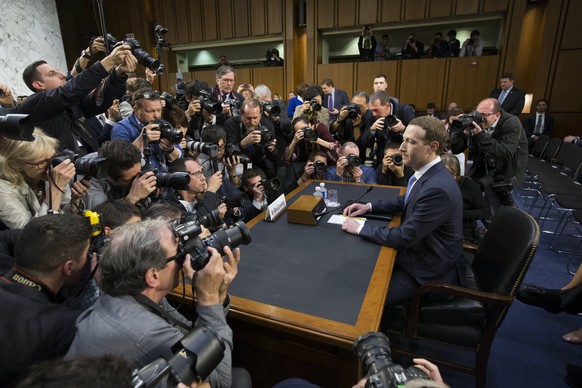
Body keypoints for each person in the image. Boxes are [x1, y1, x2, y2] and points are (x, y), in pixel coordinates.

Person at [64, 219, 239, 388]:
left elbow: (190, 333)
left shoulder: (122, 298)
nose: (184, 260)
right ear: (153, 276)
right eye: (177, 254)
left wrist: (219, 293)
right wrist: (208, 297)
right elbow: (221, 381)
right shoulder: (147, 332)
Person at [341, 116, 465, 304]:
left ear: (432, 146)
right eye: (404, 139)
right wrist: (369, 206)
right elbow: (406, 201)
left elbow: (404, 236)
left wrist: (360, 228)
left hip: (426, 273)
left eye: (411, 142)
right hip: (418, 256)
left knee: (361, 299)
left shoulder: (438, 188)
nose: (401, 148)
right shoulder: (428, 172)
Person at [0, 214, 92, 385]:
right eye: (87, 254)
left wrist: (45, 237)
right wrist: (99, 279)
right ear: (69, 267)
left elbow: (8, 237)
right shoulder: (59, 324)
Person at [19, 44, 136, 156]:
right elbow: (69, 91)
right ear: (39, 85)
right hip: (66, 171)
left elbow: (98, 102)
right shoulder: (34, 104)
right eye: (52, 74)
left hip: (94, 165)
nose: (62, 75)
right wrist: (108, 62)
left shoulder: (70, 104)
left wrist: (117, 74)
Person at [450, 98, 528, 213]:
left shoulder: (511, 123)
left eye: (484, 115)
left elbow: (505, 153)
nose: (480, 118)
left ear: (496, 115)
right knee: (463, 195)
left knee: (493, 206)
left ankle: (499, 223)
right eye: (478, 114)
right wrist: (462, 132)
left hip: (505, 172)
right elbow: (456, 149)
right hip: (482, 168)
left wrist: (480, 134)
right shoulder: (478, 123)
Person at [0, 128, 89, 229]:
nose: (51, 166)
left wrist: (74, 200)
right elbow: (34, 236)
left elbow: (63, 215)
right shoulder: (2, 190)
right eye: (42, 162)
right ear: (16, 164)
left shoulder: (47, 173)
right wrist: (55, 189)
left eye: (53, 158)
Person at [111, 89, 182, 172]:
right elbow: (119, 162)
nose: (156, 116)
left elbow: (180, 159)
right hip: (140, 181)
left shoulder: (164, 124)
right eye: (150, 111)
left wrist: (171, 149)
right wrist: (142, 140)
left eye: (159, 110)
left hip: (166, 180)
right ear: (136, 110)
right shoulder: (121, 128)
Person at [81, 139, 157, 209]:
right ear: (111, 179)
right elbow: (105, 219)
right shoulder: (89, 179)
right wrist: (132, 198)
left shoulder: (138, 159)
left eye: (139, 173)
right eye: (131, 179)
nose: (139, 181)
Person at [441, 154, 490, 243]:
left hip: (462, 231)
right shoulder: (433, 184)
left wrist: (460, 214)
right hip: (438, 229)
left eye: (450, 174)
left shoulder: (468, 185)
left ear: (457, 174)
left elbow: (484, 212)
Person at [224, 98, 279, 179]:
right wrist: (243, 143)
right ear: (241, 114)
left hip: (262, 165)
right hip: (240, 166)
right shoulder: (231, 125)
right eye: (248, 118)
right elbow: (229, 153)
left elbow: (275, 154)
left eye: (255, 118)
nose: (252, 122)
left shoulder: (267, 124)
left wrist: (272, 149)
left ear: (260, 114)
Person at [359, 91, 416, 168]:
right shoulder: (370, 115)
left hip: (403, 158)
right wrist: (372, 130)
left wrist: (403, 130)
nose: (373, 114)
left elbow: (417, 137)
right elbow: (363, 142)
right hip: (382, 160)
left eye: (376, 110)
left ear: (387, 106)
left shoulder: (405, 111)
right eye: (371, 110)